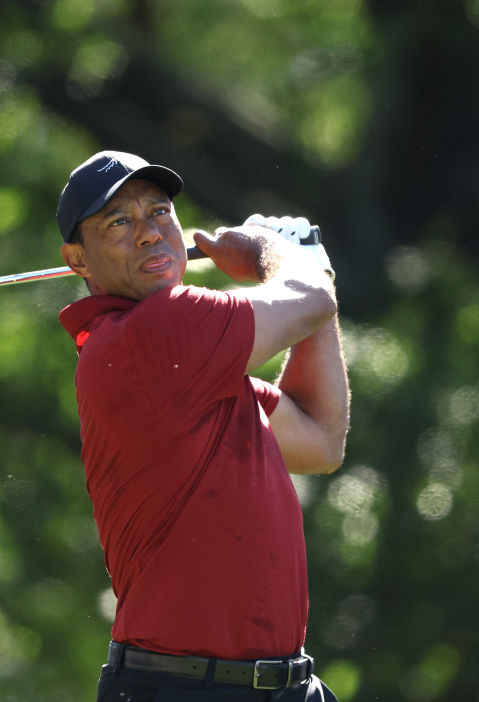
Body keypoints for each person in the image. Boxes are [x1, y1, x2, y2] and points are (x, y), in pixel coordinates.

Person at [55, 150, 350, 701]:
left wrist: (309, 268)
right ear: (77, 259)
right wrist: (278, 252)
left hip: (282, 685)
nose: (149, 233)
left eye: (159, 212)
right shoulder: (154, 334)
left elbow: (319, 438)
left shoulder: (193, 369)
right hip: (184, 688)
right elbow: (309, 299)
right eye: (118, 222)